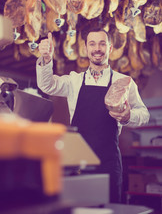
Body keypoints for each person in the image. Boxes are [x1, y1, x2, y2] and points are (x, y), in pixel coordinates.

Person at [36, 28, 150, 203]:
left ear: (110, 48)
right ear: (86, 49)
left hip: (109, 161)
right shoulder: (74, 80)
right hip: (77, 161)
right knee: (77, 206)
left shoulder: (123, 81)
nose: (97, 48)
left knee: (110, 208)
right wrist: (46, 58)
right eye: (92, 44)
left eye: (102, 43)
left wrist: (128, 116)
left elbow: (144, 114)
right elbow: (47, 85)